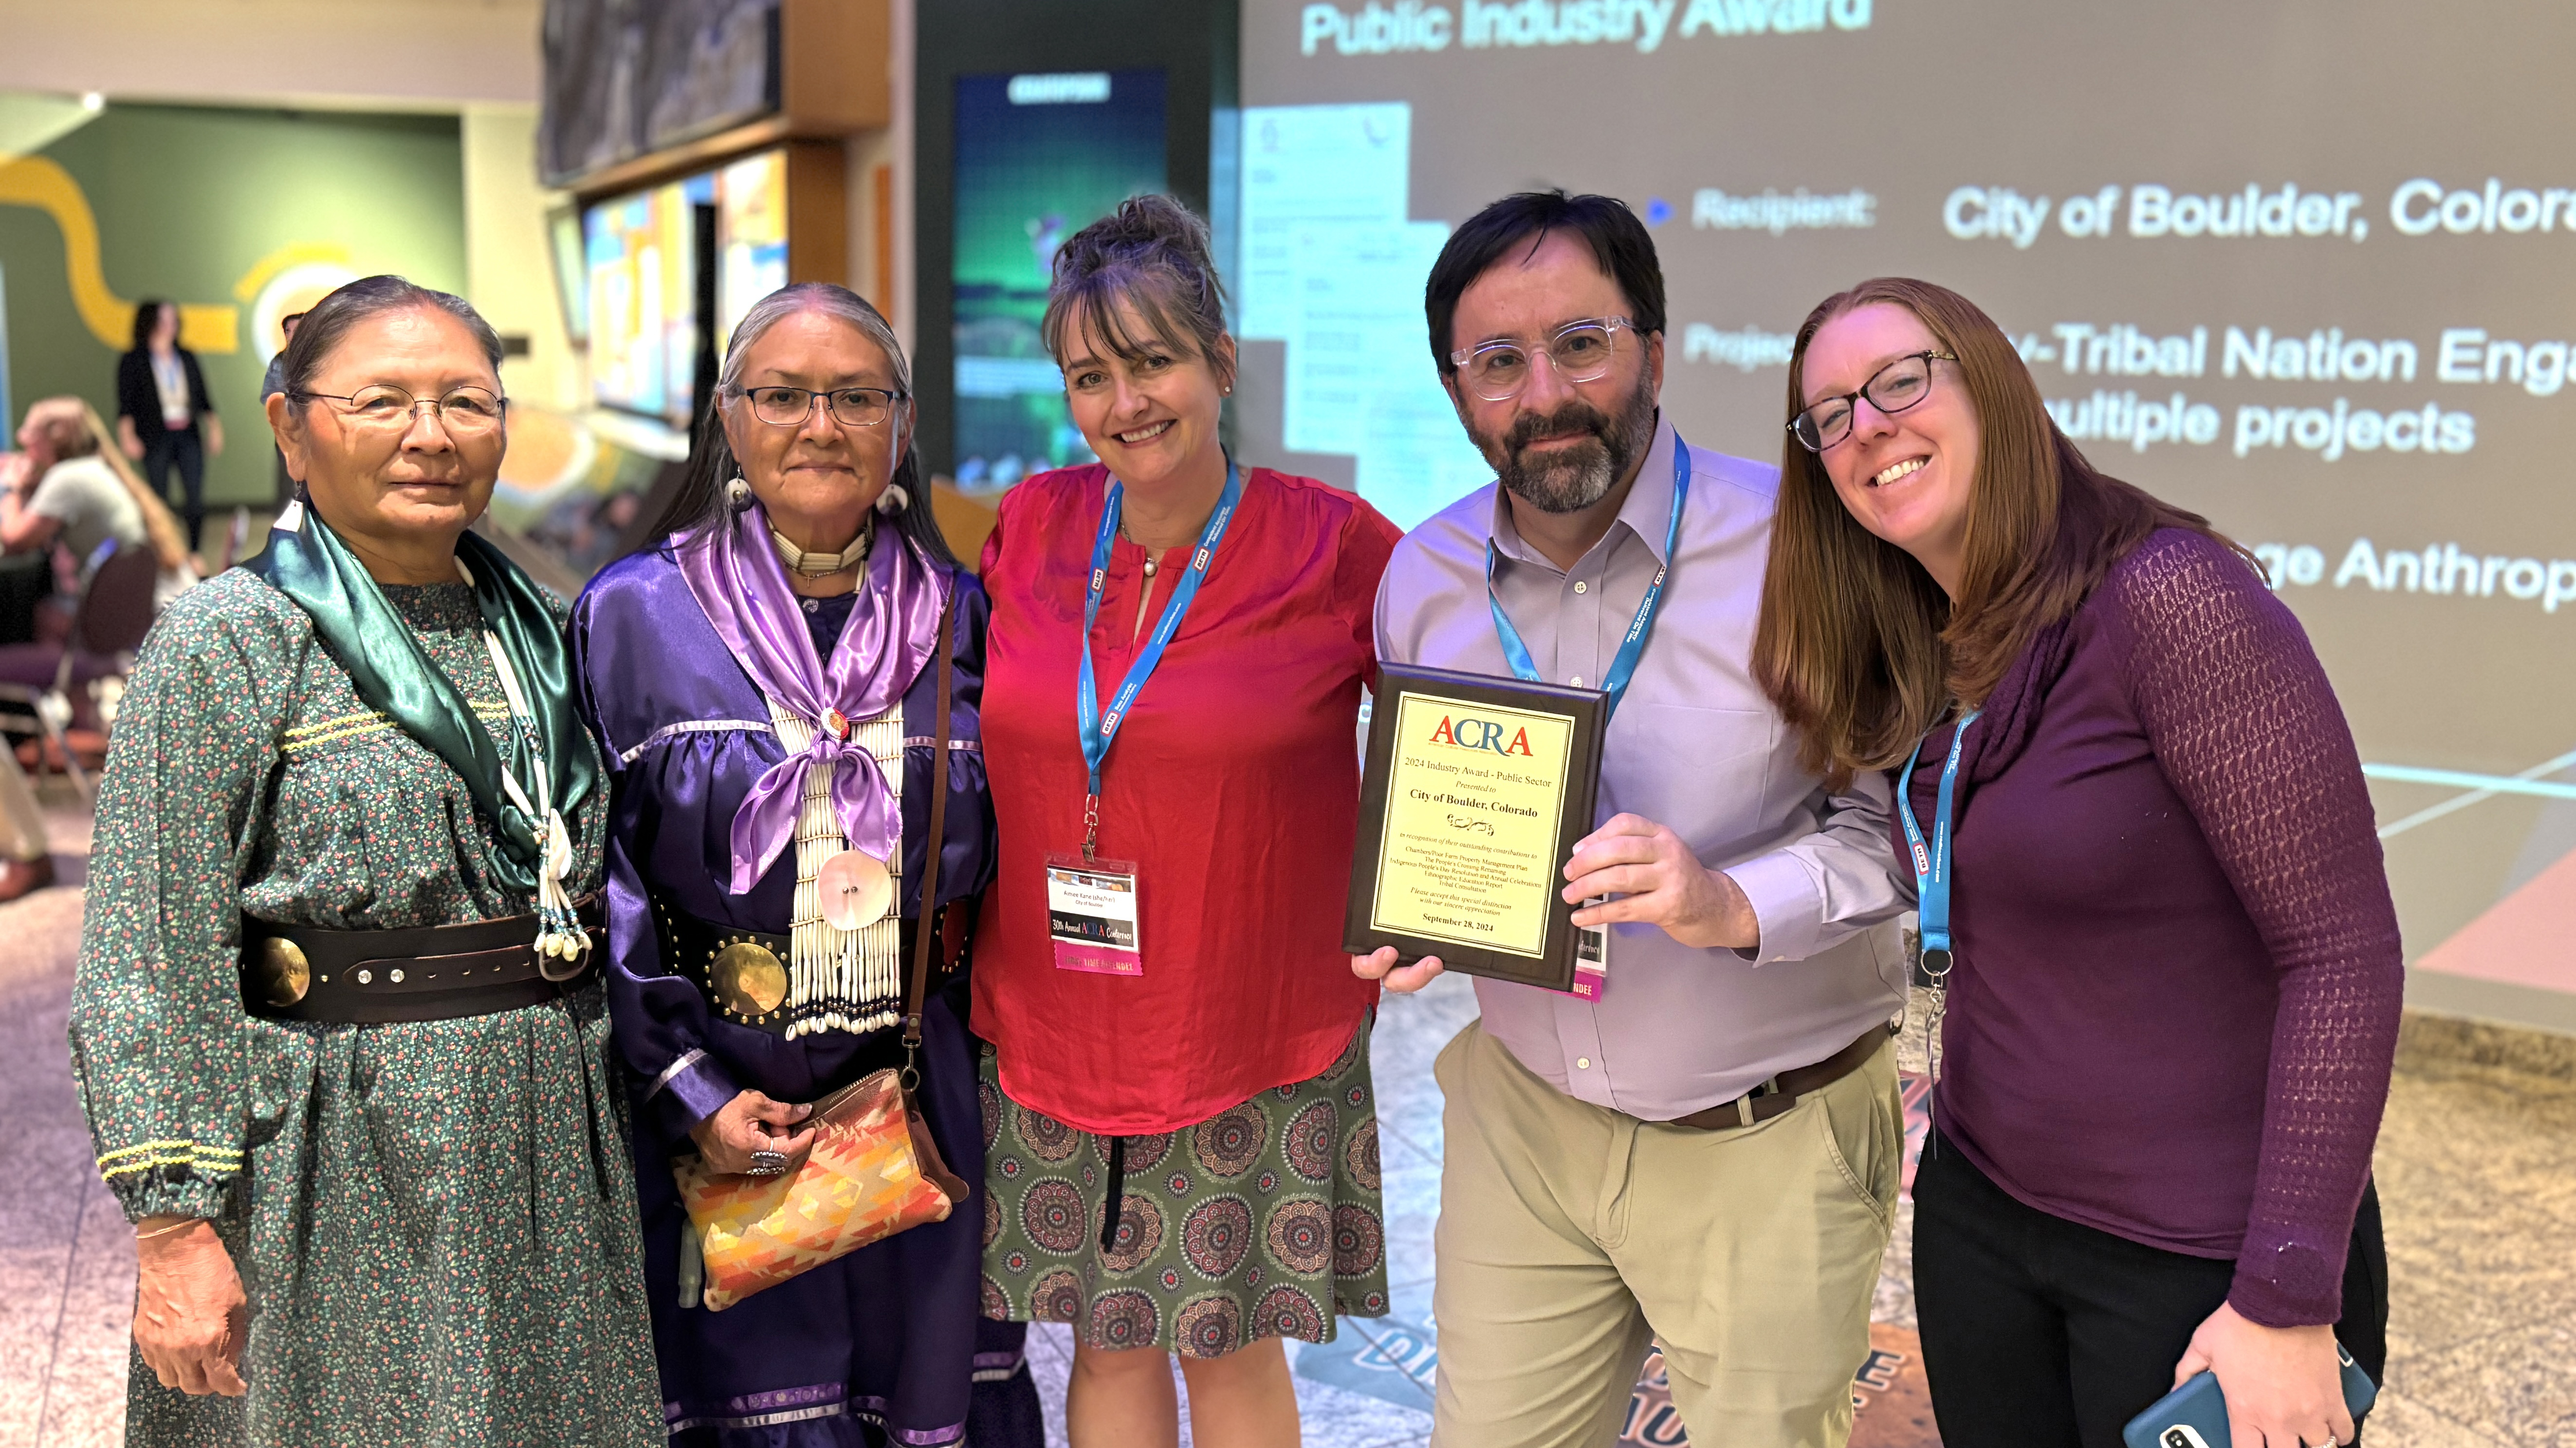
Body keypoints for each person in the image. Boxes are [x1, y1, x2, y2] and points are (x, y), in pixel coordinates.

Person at [1752, 277, 2402, 1448]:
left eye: (1902, 379)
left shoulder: (2171, 600)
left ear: (1992, 384)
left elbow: (2342, 955)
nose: (1869, 428)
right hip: (1985, 1223)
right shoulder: (1940, 643)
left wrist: (2290, 1296)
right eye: (1831, 414)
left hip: (2200, 1262)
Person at [66, 275, 662, 1447]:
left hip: (546, 1127)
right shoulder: (226, 640)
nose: (430, 435)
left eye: (466, 403)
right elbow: (148, 941)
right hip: (336, 1150)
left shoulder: (546, 623)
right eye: (382, 401)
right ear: (292, 427)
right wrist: (172, 1225)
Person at [1358, 191, 1913, 1448]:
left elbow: (1900, 837)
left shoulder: (1803, 552)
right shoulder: (1422, 579)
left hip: (1758, 1135)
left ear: (1653, 353)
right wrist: (1429, 912)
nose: (1541, 393)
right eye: (1496, 362)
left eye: (1580, 345)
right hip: (1523, 1122)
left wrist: (1727, 901)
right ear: (1455, 389)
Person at [572, 281, 1043, 1448]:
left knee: (923, 1387)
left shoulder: (968, 618)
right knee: (744, 1395)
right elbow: (597, 878)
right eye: (782, 396)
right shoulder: (632, 617)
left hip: (920, 1083)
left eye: (854, 397)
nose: (819, 425)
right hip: (722, 1090)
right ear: (728, 419)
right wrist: (689, 1088)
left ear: (902, 423)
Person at [974, 194, 1401, 1448]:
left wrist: (1433, 899)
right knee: (1102, 1346)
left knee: (1228, 1348)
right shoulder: (1030, 526)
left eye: (1153, 361)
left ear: (1218, 363)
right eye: (1090, 375)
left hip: (1245, 1021)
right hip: (1056, 1018)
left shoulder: (1336, 548)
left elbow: (1460, 737)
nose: (1126, 403)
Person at [117, 298, 223, 552]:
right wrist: (127, 436)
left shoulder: (186, 356)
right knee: (158, 498)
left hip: (188, 433)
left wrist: (215, 428)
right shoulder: (134, 360)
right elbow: (126, 403)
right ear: (149, 322)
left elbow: (203, 397)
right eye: (164, 320)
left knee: (195, 498)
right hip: (156, 435)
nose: (170, 325)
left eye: (173, 319)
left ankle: (195, 551)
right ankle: (165, 550)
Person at [265, 311, 307, 505]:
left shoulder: (320, 361)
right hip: (287, 428)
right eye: (288, 330)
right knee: (286, 474)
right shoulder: (279, 363)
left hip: (316, 427)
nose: (292, 334)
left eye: (297, 330)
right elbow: (270, 395)